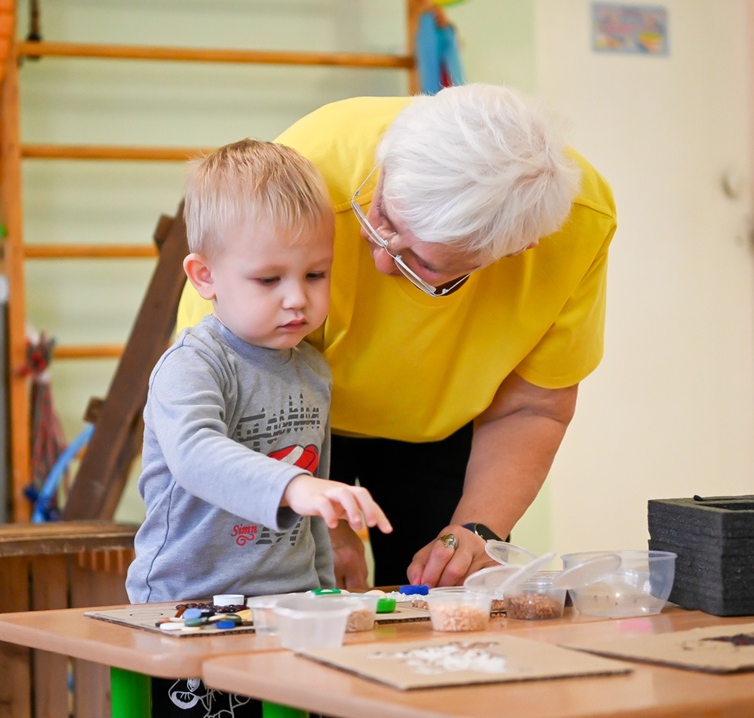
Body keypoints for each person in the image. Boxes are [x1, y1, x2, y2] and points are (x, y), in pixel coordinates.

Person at [177, 83, 617, 590]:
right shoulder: (306, 173)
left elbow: (535, 407)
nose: (380, 257)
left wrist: (476, 530)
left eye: (422, 264)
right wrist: (318, 528)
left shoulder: (579, 225)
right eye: (381, 214)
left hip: (442, 428)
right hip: (279, 414)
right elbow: (231, 388)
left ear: (515, 249)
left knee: (448, 596)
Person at [126, 138, 392, 717]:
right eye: (269, 280)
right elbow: (196, 455)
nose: (298, 299)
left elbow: (312, 503)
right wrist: (294, 488)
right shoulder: (191, 365)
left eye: (315, 274)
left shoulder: (313, 370)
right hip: (190, 607)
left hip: (290, 609)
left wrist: (325, 588)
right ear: (205, 276)